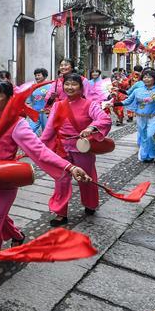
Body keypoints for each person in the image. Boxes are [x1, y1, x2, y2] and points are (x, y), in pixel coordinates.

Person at [0, 81, 89, 287]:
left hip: (6, 179)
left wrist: (69, 167)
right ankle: (17, 234)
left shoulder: (18, 124)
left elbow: (40, 151)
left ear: (9, 99)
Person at [40, 73, 112, 226]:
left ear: (81, 87)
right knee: (61, 180)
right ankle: (60, 213)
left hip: (82, 148)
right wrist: (38, 146)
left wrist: (91, 128)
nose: (70, 87)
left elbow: (104, 119)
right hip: (61, 148)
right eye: (67, 84)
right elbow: (49, 128)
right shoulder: (57, 105)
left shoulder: (90, 105)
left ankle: (90, 203)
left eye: (74, 84)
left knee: (86, 177)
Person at [123, 70, 155, 164]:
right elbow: (127, 101)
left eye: (149, 77)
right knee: (144, 136)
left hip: (154, 117)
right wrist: (112, 104)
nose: (146, 79)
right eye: (145, 77)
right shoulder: (137, 91)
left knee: (151, 135)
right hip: (141, 117)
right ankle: (146, 155)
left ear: (154, 79)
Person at [26, 68, 50, 135]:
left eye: (39, 75)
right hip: (35, 112)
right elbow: (29, 101)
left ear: (44, 76)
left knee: (46, 130)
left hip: (46, 112)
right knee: (30, 129)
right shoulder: (33, 87)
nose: (36, 77)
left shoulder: (50, 86)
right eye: (35, 75)